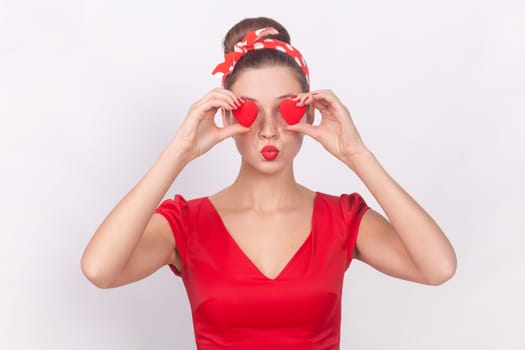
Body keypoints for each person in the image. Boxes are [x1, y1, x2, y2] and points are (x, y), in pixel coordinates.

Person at [81, 17, 457, 350]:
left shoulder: (342, 219)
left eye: (287, 108)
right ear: (226, 115)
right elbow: (100, 269)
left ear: (309, 111)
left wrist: (357, 154)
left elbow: (437, 267)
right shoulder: (186, 223)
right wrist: (180, 150)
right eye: (248, 110)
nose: (268, 130)